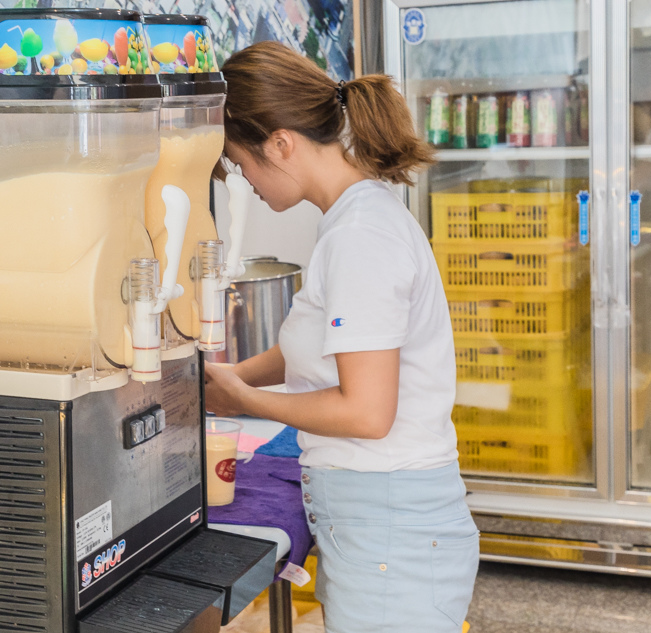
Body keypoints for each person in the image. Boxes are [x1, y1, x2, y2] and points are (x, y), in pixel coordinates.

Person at [204, 41, 479, 633]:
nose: (244, 181)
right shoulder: (352, 222)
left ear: (280, 143)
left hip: (393, 528)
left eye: (240, 162)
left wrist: (240, 401)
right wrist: (231, 377)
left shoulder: (362, 239)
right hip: (379, 523)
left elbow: (366, 412)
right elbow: (324, 349)